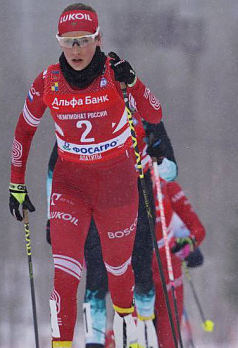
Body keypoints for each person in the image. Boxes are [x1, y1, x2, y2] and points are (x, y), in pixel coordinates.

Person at [9, 3, 162, 348]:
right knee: (64, 274)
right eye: (68, 41)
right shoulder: (48, 80)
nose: (76, 50)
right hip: (70, 185)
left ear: (98, 39)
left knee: (119, 275)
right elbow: (23, 130)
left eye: (83, 40)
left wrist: (134, 82)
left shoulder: (114, 74)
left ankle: (128, 336)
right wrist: (16, 182)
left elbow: (154, 112)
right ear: (59, 42)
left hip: (117, 187)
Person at [46, 115, 178, 348]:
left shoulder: (143, 112)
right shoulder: (88, 105)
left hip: (137, 194)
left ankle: (141, 337)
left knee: (141, 275)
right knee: (96, 278)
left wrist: (159, 160)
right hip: (96, 195)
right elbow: (54, 168)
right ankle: (94, 341)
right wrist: (51, 217)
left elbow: (171, 172)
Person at [150, 178, 206, 348]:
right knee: (135, 336)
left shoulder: (166, 186)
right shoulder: (122, 181)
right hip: (137, 274)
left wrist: (187, 246)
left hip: (168, 271)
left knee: (168, 339)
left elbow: (198, 231)